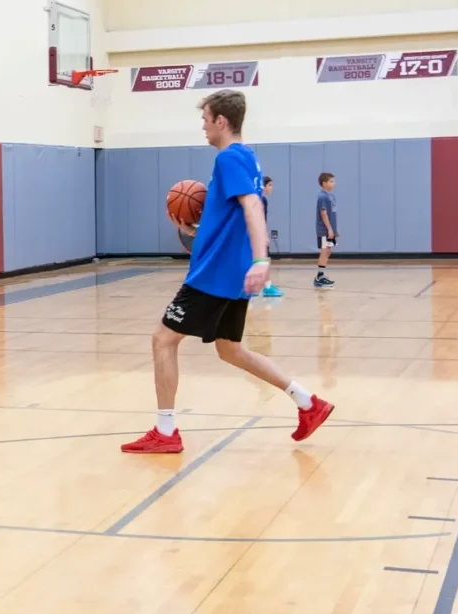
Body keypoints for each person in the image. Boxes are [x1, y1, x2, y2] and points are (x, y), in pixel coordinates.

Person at [122, 90, 333, 455]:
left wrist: (261, 258)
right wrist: (196, 231)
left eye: (205, 119)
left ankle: (166, 431)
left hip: (213, 275)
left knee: (163, 340)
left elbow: (253, 206)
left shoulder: (228, 159)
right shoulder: (246, 158)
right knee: (230, 350)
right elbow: (236, 214)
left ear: (221, 120)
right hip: (230, 272)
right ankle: (307, 403)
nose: (202, 127)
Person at [259, 176, 283, 297]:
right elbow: (260, 220)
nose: (272, 188)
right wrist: (264, 236)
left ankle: (254, 288)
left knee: (257, 261)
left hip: (252, 234)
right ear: (264, 186)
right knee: (264, 260)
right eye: (270, 185)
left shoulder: (258, 199)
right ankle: (267, 287)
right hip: (257, 235)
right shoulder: (261, 200)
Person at [315, 172, 337, 287]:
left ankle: (321, 274)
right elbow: (323, 214)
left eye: (334, 181)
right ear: (324, 183)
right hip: (324, 230)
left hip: (330, 230)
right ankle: (319, 277)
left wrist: (334, 229)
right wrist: (329, 229)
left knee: (328, 250)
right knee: (325, 251)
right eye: (331, 181)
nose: (334, 183)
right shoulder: (322, 196)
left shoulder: (330, 196)